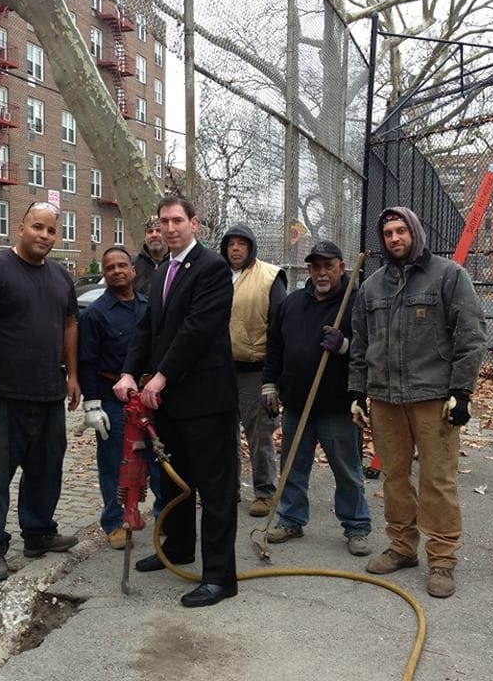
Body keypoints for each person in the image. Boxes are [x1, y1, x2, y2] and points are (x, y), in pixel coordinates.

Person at [348, 206, 486, 599]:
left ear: (415, 233)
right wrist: (357, 391)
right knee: (393, 477)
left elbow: (471, 336)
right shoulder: (371, 287)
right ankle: (402, 547)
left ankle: (441, 559)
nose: (394, 238)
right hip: (386, 398)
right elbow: (360, 343)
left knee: (437, 479)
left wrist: (462, 393)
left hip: (433, 398)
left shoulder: (448, 276)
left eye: (400, 231)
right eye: (388, 233)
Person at [113, 195, 239, 608]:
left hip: (206, 399)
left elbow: (197, 329)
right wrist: (130, 371)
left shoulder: (212, 267)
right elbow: (149, 328)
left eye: (177, 221)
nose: (169, 228)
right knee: (175, 479)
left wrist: (161, 375)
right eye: (163, 221)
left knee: (215, 489)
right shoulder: (163, 269)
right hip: (171, 402)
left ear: (194, 224)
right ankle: (180, 548)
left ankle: (220, 576)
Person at [0, 201, 81, 583]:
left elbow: (70, 325)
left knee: (46, 469)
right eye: (37, 227)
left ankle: (39, 532)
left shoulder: (60, 276)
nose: (44, 235)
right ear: (20, 227)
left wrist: (73, 374)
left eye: (51, 230)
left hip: (47, 394)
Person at [261, 240, 372, 555]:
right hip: (297, 402)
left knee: (347, 469)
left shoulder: (355, 303)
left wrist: (345, 347)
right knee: (293, 464)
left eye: (328, 266)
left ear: (341, 267)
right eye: (316, 266)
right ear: (308, 269)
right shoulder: (293, 303)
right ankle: (291, 519)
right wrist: (270, 384)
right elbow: (275, 347)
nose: (322, 272)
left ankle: (357, 526)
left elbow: (373, 348)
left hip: (337, 405)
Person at [78, 246, 162, 550]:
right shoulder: (96, 315)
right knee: (115, 463)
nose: (116, 271)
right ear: (105, 273)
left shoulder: (147, 306)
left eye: (121, 265)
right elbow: (86, 361)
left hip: (150, 396)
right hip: (113, 400)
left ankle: (163, 514)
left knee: (157, 458)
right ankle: (114, 522)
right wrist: (92, 403)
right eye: (110, 267)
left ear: (133, 270)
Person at [219, 224, 286, 517]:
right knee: (222, 436)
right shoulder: (216, 275)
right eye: (231, 244)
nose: (235, 249)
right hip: (219, 370)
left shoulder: (270, 277)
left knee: (259, 436)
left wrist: (273, 378)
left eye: (241, 244)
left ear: (251, 247)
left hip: (255, 370)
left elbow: (280, 327)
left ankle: (264, 492)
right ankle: (227, 489)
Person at [133, 215, 167, 295]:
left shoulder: (175, 264)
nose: (154, 235)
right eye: (150, 231)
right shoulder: (133, 266)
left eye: (158, 230)